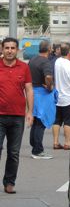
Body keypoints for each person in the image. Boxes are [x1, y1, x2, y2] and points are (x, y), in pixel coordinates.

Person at [0, 37, 33, 194]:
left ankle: (9, 182)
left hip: (17, 117)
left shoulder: (24, 68)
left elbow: (29, 90)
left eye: (13, 48)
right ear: (2, 49)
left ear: (17, 50)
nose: (10, 51)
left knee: (13, 153)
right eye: (7, 48)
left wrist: (30, 112)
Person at [29, 40, 56, 158]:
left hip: (32, 93)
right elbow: (48, 77)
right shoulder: (46, 62)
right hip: (42, 94)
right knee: (41, 122)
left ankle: (34, 145)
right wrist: (50, 87)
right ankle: (38, 150)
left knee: (35, 121)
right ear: (49, 49)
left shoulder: (32, 59)